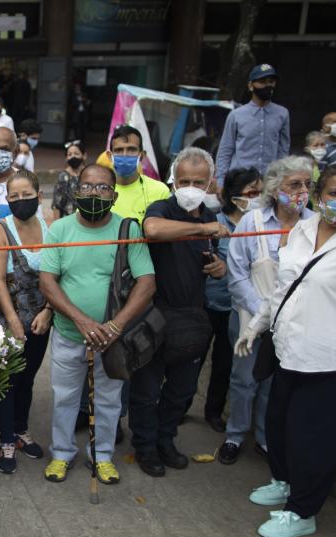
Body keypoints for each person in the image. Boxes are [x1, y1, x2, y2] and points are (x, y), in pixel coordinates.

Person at [232, 164, 336, 537]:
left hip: (328, 359)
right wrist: (256, 325)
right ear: (318, 196)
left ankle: (303, 510)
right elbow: (283, 285)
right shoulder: (302, 230)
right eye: (333, 193)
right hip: (286, 348)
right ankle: (282, 480)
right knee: (278, 424)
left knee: (312, 437)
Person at [39, 165, 156, 485]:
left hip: (111, 338)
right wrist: (82, 320)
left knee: (108, 398)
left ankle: (102, 455)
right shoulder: (60, 230)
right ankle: (61, 453)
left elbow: (147, 283)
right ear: (76, 192)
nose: (94, 193)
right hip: (68, 334)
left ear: (114, 195)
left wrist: (115, 326)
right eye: (88, 187)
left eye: (103, 188)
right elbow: (48, 282)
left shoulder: (127, 230)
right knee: (64, 397)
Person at [129, 147, 229, 478]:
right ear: (173, 179)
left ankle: (166, 440)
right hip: (154, 315)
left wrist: (218, 266)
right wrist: (203, 230)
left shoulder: (209, 216)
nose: (190, 187)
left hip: (192, 318)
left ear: (210, 182)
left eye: (198, 182)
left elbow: (208, 257)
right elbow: (154, 230)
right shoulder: (163, 207)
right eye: (183, 180)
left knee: (182, 390)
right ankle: (144, 447)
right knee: (146, 391)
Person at [221, 157, 313, 464]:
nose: (302, 191)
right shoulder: (253, 221)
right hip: (249, 316)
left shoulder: (314, 224)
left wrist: (279, 315)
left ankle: (264, 436)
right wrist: (262, 314)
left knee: (275, 382)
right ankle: (235, 435)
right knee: (244, 379)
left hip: (294, 320)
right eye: (294, 184)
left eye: (307, 185)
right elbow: (236, 273)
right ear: (275, 189)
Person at [0, 170, 50, 478]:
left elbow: (55, 273)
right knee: (7, 380)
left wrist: (48, 310)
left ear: (38, 194)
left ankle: (22, 429)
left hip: (40, 317)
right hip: (8, 317)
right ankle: (6, 440)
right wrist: (11, 322)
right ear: (7, 199)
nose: (21, 201)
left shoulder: (48, 225)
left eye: (27, 195)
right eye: (14, 196)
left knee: (28, 377)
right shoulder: (0, 229)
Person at [200, 168, 262, 435]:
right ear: (233, 196)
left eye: (261, 192)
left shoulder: (261, 225)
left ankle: (213, 411)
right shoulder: (215, 222)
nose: (257, 197)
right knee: (193, 358)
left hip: (237, 310)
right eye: (251, 192)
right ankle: (177, 410)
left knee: (224, 364)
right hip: (209, 303)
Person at [216, 64, 290, 185]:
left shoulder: (282, 114)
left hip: (269, 181)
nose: (267, 85)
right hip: (240, 180)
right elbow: (226, 149)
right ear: (251, 85)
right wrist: (220, 180)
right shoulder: (236, 115)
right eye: (262, 82)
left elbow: (283, 149)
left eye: (271, 81)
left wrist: (282, 177)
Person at [106, 124, 171, 222]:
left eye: (131, 149)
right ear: (110, 156)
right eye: (119, 150)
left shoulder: (160, 191)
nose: (125, 155)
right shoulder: (97, 191)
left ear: (142, 156)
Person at [52, 140, 87, 219]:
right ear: (66, 158)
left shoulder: (89, 175)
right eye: (69, 154)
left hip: (86, 221)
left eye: (76, 154)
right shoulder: (63, 177)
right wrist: (57, 225)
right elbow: (56, 204)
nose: (73, 157)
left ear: (84, 155)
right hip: (67, 220)